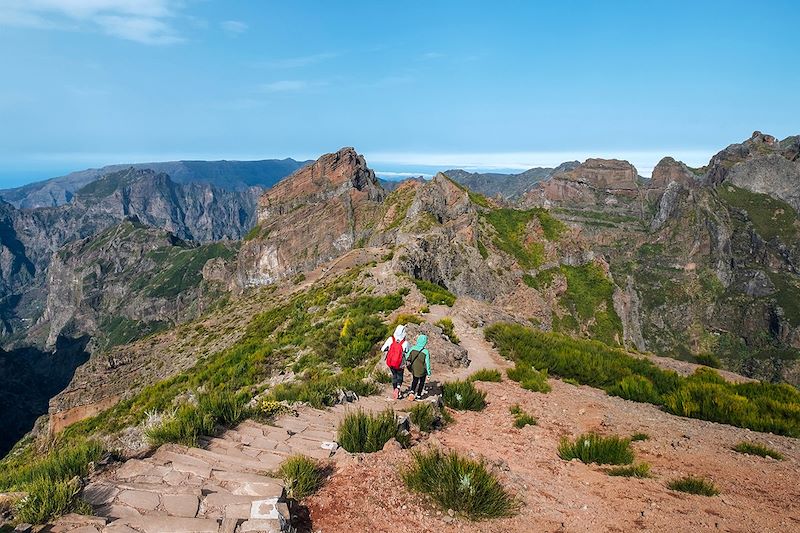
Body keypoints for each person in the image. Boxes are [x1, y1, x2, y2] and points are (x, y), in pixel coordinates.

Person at [381, 324, 409, 400]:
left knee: (394, 375)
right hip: (400, 363)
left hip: (391, 362)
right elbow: (407, 353)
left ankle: (394, 389)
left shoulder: (390, 339)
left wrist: (389, 349)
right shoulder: (405, 343)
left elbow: (382, 349)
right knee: (400, 376)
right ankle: (398, 388)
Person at [406, 334, 431, 401]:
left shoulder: (413, 348)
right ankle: (419, 395)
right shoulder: (426, 352)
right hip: (422, 371)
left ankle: (412, 391)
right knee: (422, 382)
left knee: (415, 380)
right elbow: (427, 363)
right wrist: (429, 373)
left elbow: (407, 357)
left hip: (414, 369)